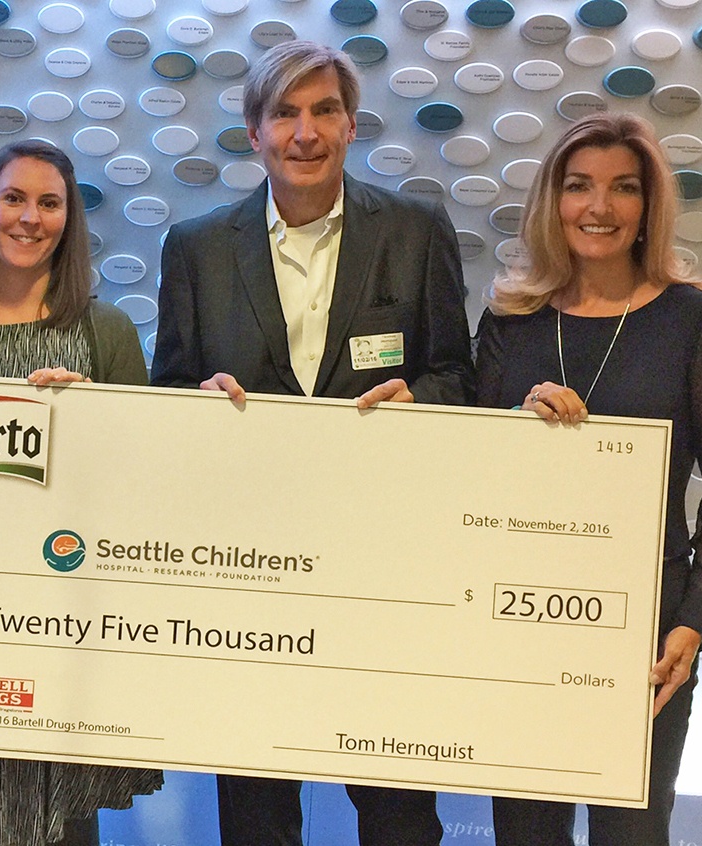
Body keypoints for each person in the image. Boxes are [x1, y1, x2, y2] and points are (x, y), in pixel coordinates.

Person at [150, 40, 474, 846]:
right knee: (257, 813)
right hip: (247, 573)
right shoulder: (196, 248)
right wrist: (196, 406)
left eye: (323, 110)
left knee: (399, 810)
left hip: (385, 568)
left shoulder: (415, 230)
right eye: (285, 113)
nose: (305, 131)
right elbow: (165, 399)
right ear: (254, 132)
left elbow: (458, 379)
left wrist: (420, 397)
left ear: (351, 124)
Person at [0, 139, 162, 846]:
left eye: (49, 203)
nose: (29, 217)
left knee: (65, 822)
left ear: (69, 221)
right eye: (14, 198)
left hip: (68, 619)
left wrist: (96, 423)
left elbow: (144, 484)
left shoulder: (105, 332)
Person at [476, 113, 702, 846]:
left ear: (648, 206)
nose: (599, 208)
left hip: (648, 636)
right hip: (514, 623)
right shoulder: (509, 320)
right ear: (553, 199)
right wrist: (518, 422)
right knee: (523, 833)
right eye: (579, 186)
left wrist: (695, 620)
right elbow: (466, 476)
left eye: (623, 188)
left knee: (634, 835)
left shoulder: (693, 319)